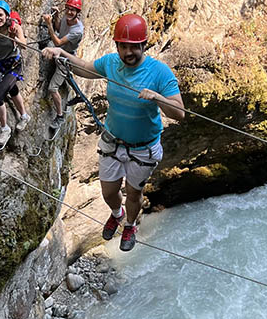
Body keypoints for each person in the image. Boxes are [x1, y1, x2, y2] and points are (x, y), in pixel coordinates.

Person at [41, 14, 185, 251]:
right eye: (123, 46)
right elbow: (87, 69)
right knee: (108, 191)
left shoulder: (160, 73)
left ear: (143, 45)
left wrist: (158, 98)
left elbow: (179, 113)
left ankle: (130, 225)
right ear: (117, 46)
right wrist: (62, 54)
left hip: (144, 147)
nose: (128, 52)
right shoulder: (110, 63)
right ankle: (116, 214)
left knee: (133, 192)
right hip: (113, 141)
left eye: (133, 47)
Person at [0, 0, 30, 147]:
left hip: (14, 65)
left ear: (7, 15)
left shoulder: (14, 27)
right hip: (0, 65)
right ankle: (24, 116)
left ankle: (5, 129)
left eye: (1, 15)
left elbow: (24, 45)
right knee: (12, 89)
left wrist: (14, 38)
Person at [41, 0, 85, 131]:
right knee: (67, 77)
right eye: (68, 9)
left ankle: (59, 116)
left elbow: (58, 43)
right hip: (62, 54)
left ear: (78, 12)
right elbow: (60, 28)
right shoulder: (67, 18)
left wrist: (49, 25)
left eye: (73, 10)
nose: (70, 12)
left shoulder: (78, 30)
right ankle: (80, 95)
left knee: (52, 88)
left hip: (65, 58)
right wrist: (56, 17)